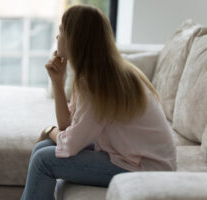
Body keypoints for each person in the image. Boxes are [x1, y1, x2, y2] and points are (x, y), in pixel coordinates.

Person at [21, 4, 176, 200]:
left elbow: (70, 145)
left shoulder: (98, 83)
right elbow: (68, 127)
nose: (57, 37)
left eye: (61, 31)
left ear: (76, 39)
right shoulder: (95, 74)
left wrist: (48, 130)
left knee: (44, 160)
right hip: (133, 158)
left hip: (146, 170)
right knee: (41, 149)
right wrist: (57, 83)